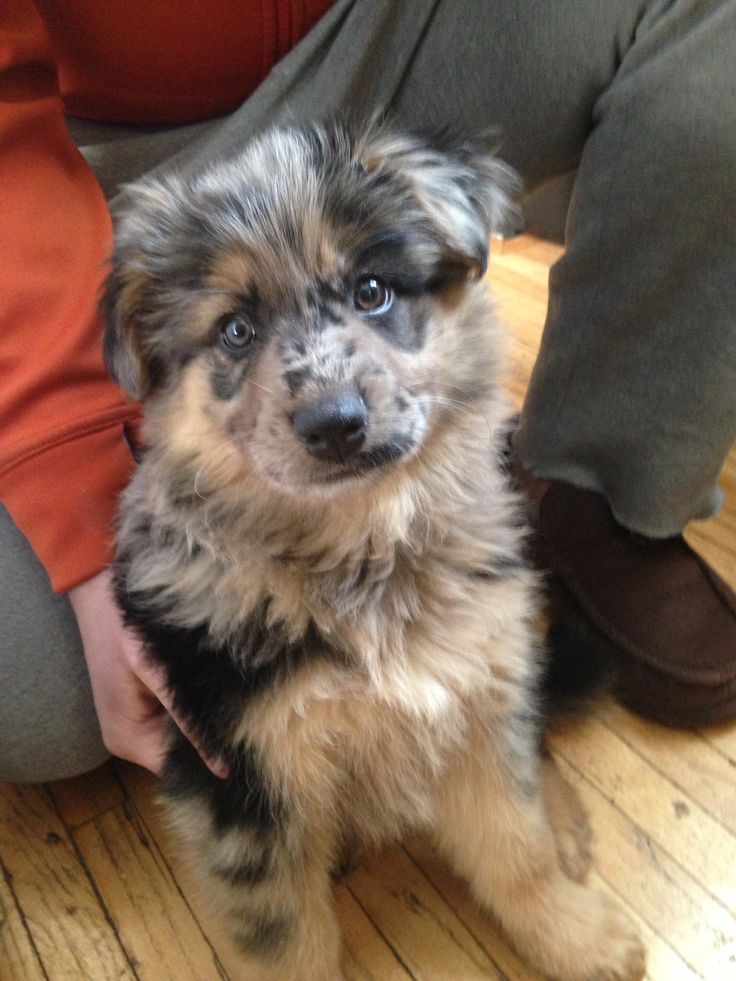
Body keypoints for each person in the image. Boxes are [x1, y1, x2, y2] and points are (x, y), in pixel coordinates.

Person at [2, 0, 734, 784]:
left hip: (387, 27)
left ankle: (596, 489)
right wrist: (66, 448)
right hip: (89, 139)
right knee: (38, 705)